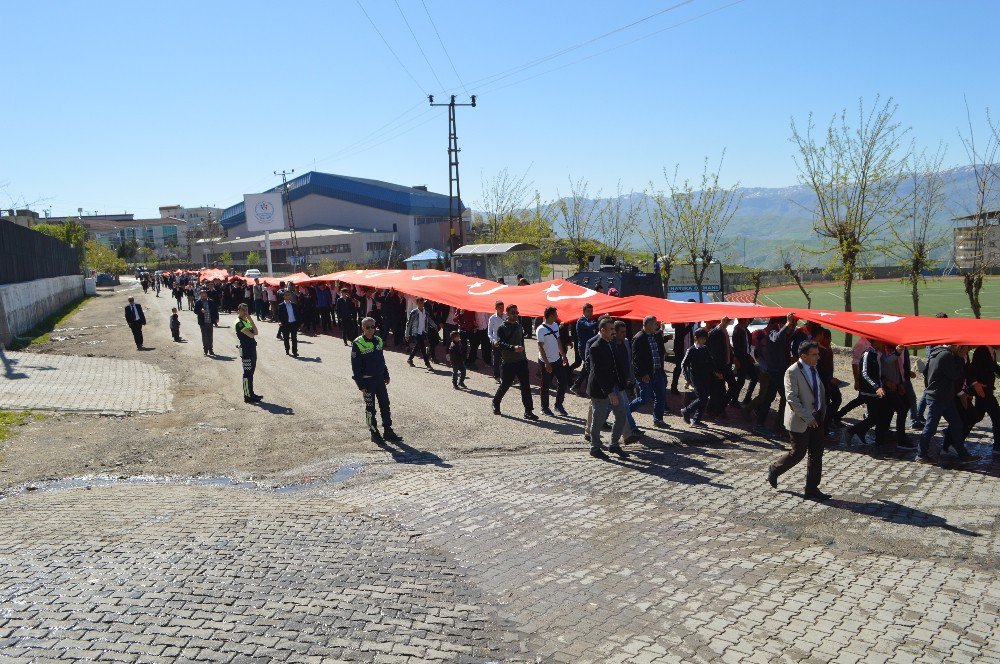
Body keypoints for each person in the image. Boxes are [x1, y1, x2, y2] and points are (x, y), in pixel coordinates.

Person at [767, 341, 831, 501]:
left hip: (817, 417)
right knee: (798, 453)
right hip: (801, 419)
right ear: (803, 356)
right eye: (814, 354)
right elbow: (791, 398)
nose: (818, 357)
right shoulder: (792, 371)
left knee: (816, 454)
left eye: (818, 353)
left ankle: (811, 489)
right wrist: (808, 418)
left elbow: (818, 390)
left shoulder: (814, 368)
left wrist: (822, 410)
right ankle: (775, 469)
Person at [917, 344, 977, 464]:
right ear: (957, 346)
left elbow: (926, 373)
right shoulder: (946, 355)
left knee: (957, 424)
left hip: (942, 397)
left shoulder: (936, 352)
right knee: (930, 428)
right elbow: (955, 375)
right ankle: (921, 455)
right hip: (938, 397)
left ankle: (962, 454)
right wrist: (960, 358)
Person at [351, 316, 401, 444]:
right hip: (367, 382)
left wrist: (386, 374)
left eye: (373, 326)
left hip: (379, 379)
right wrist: (360, 385)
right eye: (368, 327)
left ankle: (388, 430)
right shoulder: (358, 343)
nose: (371, 329)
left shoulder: (378, 340)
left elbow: (381, 360)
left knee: (385, 405)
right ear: (362, 328)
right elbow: (355, 367)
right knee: (370, 408)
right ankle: (374, 432)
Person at [587, 318, 630, 460]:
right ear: (602, 330)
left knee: (621, 414)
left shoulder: (610, 343)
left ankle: (614, 444)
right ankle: (595, 447)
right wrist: (610, 392)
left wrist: (622, 384)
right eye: (611, 329)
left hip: (613, 386)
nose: (613, 332)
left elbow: (616, 366)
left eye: (613, 329)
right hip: (600, 389)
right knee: (598, 419)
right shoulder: (595, 347)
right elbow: (599, 373)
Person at [842, 339, 891, 451]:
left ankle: (863, 433)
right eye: (881, 341)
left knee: (877, 416)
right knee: (874, 417)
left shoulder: (876, 353)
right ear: (875, 342)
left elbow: (877, 373)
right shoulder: (868, 353)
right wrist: (876, 387)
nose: (883, 343)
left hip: (875, 391)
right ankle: (851, 431)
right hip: (869, 392)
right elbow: (865, 373)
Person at [753, 314, 797, 436]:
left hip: (778, 371)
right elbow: (776, 339)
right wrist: (787, 324)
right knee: (786, 396)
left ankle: (760, 424)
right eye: (789, 325)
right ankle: (787, 425)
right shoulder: (773, 332)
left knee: (769, 398)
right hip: (776, 371)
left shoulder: (779, 332)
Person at [492, 304, 538, 420]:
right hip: (509, 362)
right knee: (505, 385)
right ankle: (495, 403)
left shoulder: (519, 326)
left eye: (517, 313)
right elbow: (500, 343)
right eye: (513, 313)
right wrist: (513, 348)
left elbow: (522, 344)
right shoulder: (502, 328)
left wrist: (524, 357)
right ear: (507, 314)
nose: (516, 315)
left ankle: (528, 411)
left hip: (521, 361)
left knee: (526, 387)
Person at [630, 315, 670, 428]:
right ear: (647, 325)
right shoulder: (638, 338)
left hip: (658, 372)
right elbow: (636, 360)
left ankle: (658, 419)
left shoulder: (656, 336)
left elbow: (660, 350)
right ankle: (626, 412)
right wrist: (642, 374)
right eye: (654, 324)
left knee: (661, 396)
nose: (656, 326)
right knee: (644, 398)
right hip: (646, 375)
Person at [536, 306, 569, 416]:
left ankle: (558, 405)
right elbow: (540, 347)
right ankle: (544, 407)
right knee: (545, 385)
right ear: (550, 316)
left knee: (563, 381)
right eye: (555, 315)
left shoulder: (555, 325)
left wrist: (563, 356)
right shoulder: (540, 329)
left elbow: (558, 341)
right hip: (546, 361)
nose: (557, 316)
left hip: (557, 360)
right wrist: (546, 363)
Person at [968, 345, 1000, 453]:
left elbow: (994, 367)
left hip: (987, 390)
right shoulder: (981, 351)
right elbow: (971, 369)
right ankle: (997, 446)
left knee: (977, 416)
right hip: (983, 390)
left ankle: (951, 433)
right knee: (997, 416)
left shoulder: (992, 352)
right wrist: (975, 384)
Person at [680, 328, 713, 428]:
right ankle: (686, 411)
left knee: (705, 398)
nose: (703, 340)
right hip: (695, 377)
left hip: (705, 377)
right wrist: (687, 378)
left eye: (704, 338)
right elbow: (684, 364)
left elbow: (711, 361)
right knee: (702, 398)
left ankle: (696, 420)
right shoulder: (691, 350)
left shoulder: (705, 349)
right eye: (701, 338)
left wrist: (716, 372)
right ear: (696, 338)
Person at [706, 318, 734, 418]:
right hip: (720, 366)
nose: (729, 322)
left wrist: (732, 357)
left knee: (725, 388)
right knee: (719, 389)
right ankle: (716, 410)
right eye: (728, 320)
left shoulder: (723, 330)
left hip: (725, 365)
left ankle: (717, 409)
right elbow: (714, 352)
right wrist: (717, 370)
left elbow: (727, 347)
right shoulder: (716, 332)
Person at [235, 303, 262, 403]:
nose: (245, 312)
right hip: (246, 350)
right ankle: (247, 396)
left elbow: (256, 332)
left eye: (246, 310)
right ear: (238, 310)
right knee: (247, 373)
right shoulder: (239, 323)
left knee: (251, 372)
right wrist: (252, 333)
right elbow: (251, 335)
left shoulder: (246, 320)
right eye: (243, 310)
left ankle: (251, 393)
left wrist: (250, 318)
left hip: (251, 349)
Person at [729, 317, 758, 407]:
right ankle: (734, 400)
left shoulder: (744, 330)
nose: (749, 322)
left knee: (754, 376)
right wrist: (736, 359)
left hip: (746, 358)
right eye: (748, 320)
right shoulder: (738, 331)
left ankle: (746, 398)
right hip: (742, 359)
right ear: (743, 320)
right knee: (741, 380)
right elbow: (738, 348)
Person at [405, 297, 437, 369]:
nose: (421, 304)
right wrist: (406, 334)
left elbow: (429, 320)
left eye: (422, 303)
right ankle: (427, 364)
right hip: (416, 333)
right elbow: (409, 323)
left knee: (417, 346)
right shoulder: (414, 312)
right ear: (417, 303)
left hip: (423, 332)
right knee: (423, 348)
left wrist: (434, 326)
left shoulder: (425, 312)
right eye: (419, 303)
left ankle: (410, 359)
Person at [670, 321, 695, 395]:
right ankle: (673, 387)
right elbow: (681, 334)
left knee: (690, 367)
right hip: (680, 349)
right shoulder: (679, 322)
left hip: (689, 347)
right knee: (678, 368)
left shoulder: (690, 322)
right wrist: (690, 325)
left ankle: (689, 383)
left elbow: (691, 335)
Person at [193, 289, 219, 356]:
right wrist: (200, 310)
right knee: (204, 337)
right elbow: (195, 311)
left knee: (210, 336)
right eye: (202, 295)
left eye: (204, 295)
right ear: (200, 295)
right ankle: (205, 350)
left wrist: (217, 318)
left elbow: (215, 310)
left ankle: (211, 350)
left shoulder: (211, 302)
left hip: (210, 321)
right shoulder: (198, 302)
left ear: (206, 295)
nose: (203, 296)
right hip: (203, 322)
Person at [277, 291, 301, 357]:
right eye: (286, 295)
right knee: (286, 338)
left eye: (289, 295)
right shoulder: (281, 305)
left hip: (293, 323)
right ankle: (287, 350)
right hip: (285, 324)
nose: (288, 296)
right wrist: (279, 322)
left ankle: (295, 352)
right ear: (284, 297)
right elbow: (279, 316)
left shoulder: (294, 304)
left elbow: (297, 314)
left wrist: (300, 323)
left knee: (294, 338)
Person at [487, 300, 505, 381]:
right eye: (499, 308)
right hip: (496, 342)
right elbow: (489, 332)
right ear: (496, 308)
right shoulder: (492, 318)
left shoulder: (506, 317)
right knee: (497, 360)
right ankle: (497, 376)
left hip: (505, 342)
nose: (501, 309)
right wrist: (493, 340)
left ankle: (507, 376)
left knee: (506, 360)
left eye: (502, 307)